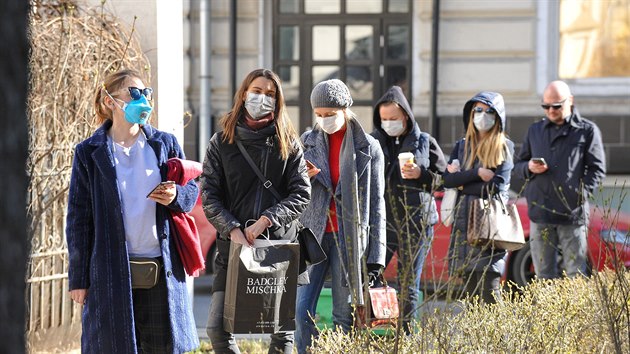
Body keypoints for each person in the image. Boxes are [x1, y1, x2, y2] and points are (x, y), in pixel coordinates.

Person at [66, 68, 199, 353]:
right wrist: (78, 279)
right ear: (109, 101)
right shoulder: (89, 152)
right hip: (111, 271)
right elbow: (79, 219)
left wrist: (176, 195)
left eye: (147, 93)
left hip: (161, 269)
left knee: (162, 347)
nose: (144, 101)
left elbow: (191, 193)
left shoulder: (164, 144)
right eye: (134, 93)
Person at [200, 68, 311, 354]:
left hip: (278, 245)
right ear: (244, 93)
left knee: (281, 334)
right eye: (257, 91)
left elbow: (301, 193)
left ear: (279, 101)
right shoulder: (221, 142)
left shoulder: (288, 141)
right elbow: (210, 194)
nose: (262, 98)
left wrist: (266, 220)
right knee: (217, 327)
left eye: (270, 94)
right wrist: (233, 228)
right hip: (234, 247)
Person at [296, 79, 386, 353]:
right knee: (301, 312)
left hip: (349, 240)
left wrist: (376, 258)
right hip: (313, 235)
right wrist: (304, 179)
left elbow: (377, 205)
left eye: (330, 114)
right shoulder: (306, 142)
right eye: (319, 115)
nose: (324, 120)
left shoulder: (369, 148)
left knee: (343, 316)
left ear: (345, 109)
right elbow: (292, 192)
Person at [371, 86, 446, 330]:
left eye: (393, 119)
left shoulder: (424, 142)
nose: (389, 123)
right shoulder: (373, 142)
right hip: (383, 221)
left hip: (417, 222)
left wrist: (421, 174)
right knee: (370, 274)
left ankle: (404, 336)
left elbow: (444, 178)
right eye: (384, 119)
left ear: (406, 117)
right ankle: (374, 327)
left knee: (408, 282)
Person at [514, 80, 606, 279]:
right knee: (543, 274)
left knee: (576, 275)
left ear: (570, 101)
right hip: (540, 212)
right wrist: (529, 167)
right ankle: (547, 311)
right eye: (546, 106)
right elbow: (518, 166)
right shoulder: (535, 130)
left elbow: (597, 170)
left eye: (556, 106)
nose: (551, 110)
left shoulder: (586, 130)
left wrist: (578, 196)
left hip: (571, 214)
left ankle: (576, 312)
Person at [443, 91, 514, 304]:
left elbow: (498, 185)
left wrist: (462, 181)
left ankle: (503, 339)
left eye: (489, 111)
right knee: (470, 295)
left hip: (489, 226)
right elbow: (447, 180)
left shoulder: (504, 146)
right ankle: (479, 338)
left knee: (490, 291)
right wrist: (476, 174)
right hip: (464, 226)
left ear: (498, 116)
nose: (483, 115)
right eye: (478, 110)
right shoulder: (462, 145)